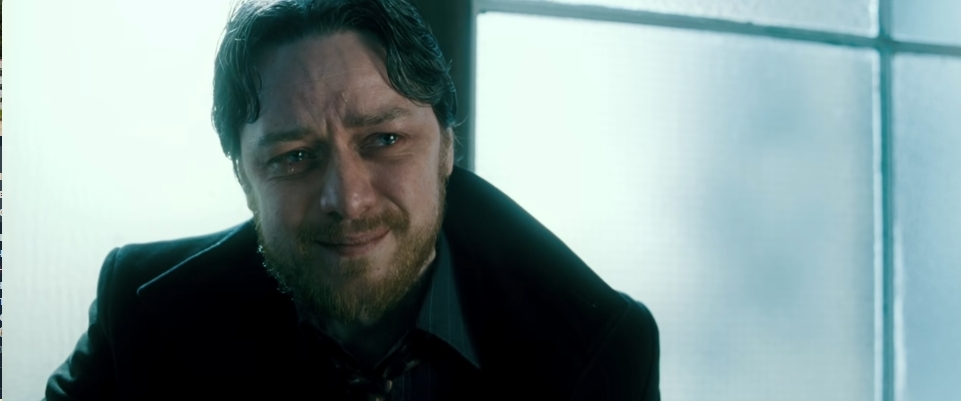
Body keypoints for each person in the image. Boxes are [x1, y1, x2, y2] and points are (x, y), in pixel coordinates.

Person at [45, 0, 660, 399]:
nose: (348, 199)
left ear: (447, 147)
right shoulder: (138, 314)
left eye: (384, 140)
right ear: (245, 180)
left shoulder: (601, 348)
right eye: (294, 157)